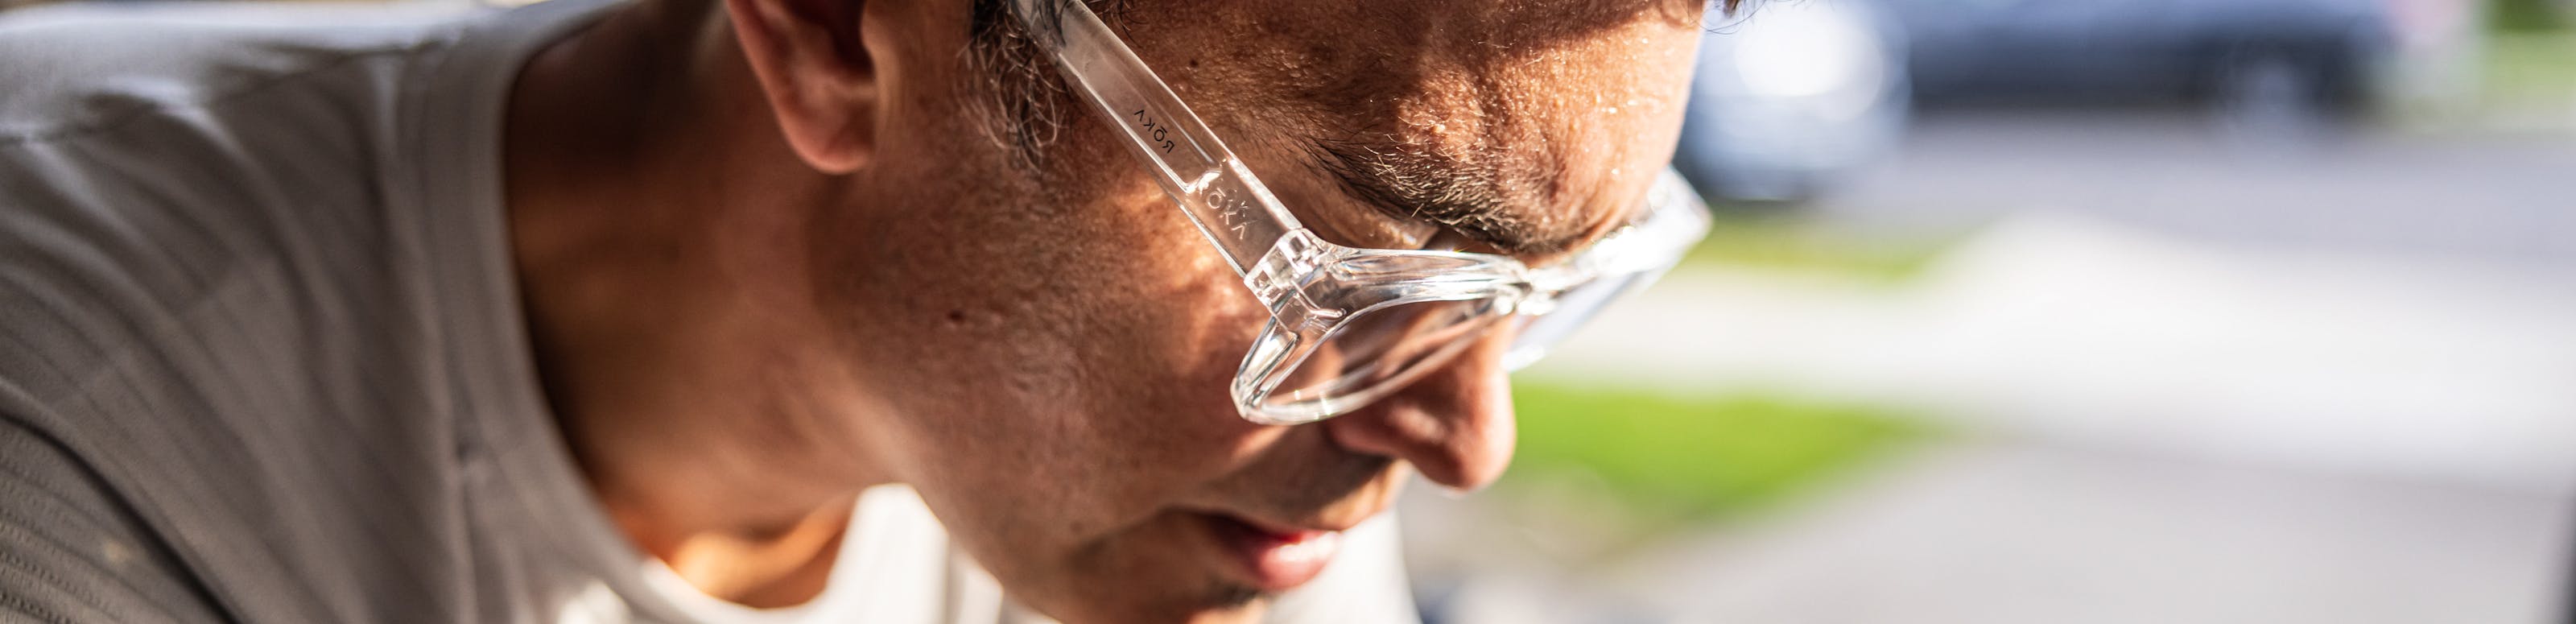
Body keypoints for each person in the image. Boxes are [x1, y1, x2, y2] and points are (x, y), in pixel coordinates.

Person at [0, 0, 1721, 621]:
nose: (1461, 436)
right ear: (833, 30)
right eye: (1360, 275)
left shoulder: (1239, 455)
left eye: (1553, 284)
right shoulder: (81, 443)